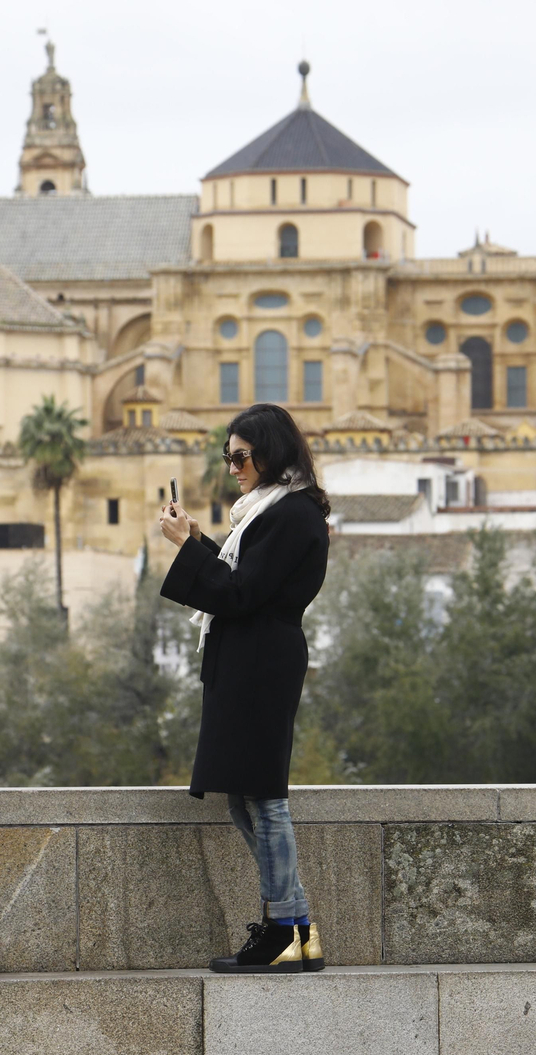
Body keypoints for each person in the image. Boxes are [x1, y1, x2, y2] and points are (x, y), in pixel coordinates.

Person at [156, 403, 331, 974]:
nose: (232, 467)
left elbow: (239, 595)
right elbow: (241, 583)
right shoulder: (273, 511)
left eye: (240, 456)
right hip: (251, 662)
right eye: (227, 457)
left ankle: (284, 927)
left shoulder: (292, 514)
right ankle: (297, 924)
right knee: (246, 798)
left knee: (264, 800)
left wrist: (187, 548)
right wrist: (201, 542)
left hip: (260, 665)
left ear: (270, 453)